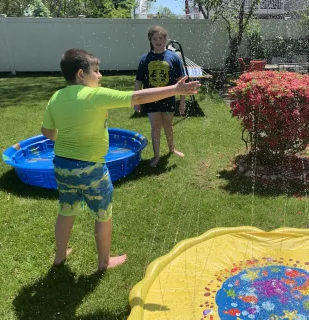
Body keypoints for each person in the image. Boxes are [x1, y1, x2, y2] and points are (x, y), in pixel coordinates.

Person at [41, 48, 200, 271]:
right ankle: (104, 261)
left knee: (67, 209)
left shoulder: (56, 97)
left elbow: (47, 131)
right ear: (81, 74)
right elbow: (137, 97)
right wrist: (175, 89)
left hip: (62, 165)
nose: (100, 75)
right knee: (103, 214)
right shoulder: (94, 95)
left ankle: (59, 256)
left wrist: (69, 138)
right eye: (95, 71)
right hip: (91, 167)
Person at [134, 25, 186, 167]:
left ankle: (172, 149)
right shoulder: (145, 59)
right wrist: (136, 101)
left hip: (169, 99)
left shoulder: (174, 57)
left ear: (165, 39)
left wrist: (182, 102)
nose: (158, 41)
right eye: (155, 38)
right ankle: (156, 157)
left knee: (168, 125)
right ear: (150, 40)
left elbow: (182, 82)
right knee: (155, 127)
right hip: (151, 100)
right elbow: (138, 81)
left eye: (161, 38)